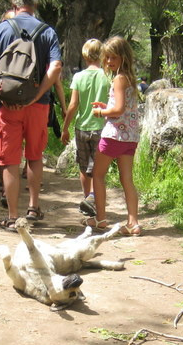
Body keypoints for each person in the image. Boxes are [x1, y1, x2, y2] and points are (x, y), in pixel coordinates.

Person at [0, 0, 63, 231]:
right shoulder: (47, 32)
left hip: (7, 107)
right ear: (35, 4)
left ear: (13, 4)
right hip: (38, 106)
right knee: (35, 157)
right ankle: (34, 208)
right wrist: (37, 94)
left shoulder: (0, 30)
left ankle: (14, 216)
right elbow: (56, 67)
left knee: (10, 161)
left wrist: (2, 93)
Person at [85, 36, 143, 236]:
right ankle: (133, 222)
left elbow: (117, 110)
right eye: (107, 58)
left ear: (123, 58)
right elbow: (123, 107)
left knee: (98, 175)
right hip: (130, 137)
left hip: (113, 136)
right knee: (127, 179)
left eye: (113, 58)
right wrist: (107, 107)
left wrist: (102, 112)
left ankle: (100, 219)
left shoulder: (118, 79)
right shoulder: (130, 79)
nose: (109, 62)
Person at [61, 39, 111, 218]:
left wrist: (65, 128)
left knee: (83, 167)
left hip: (82, 127)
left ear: (85, 55)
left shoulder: (78, 77)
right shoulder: (107, 76)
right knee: (98, 168)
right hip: (102, 128)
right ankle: (94, 200)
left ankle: (87, 198)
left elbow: (73, 105)